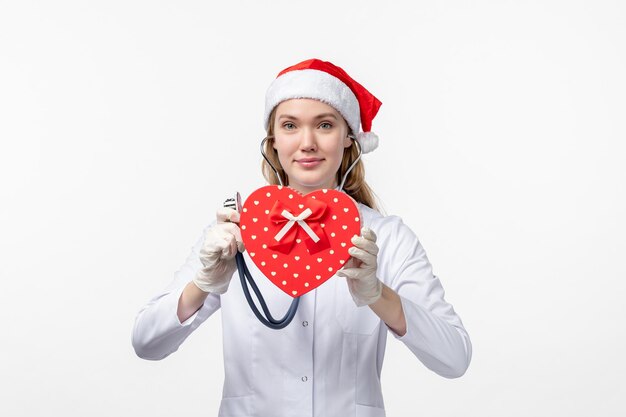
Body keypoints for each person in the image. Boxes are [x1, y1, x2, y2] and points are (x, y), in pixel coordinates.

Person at [132, 58, 472, 417]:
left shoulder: (387, 238)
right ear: (273, 141)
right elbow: (146, 343)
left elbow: (455, 358)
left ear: (348, 140)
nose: (307, 143)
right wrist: (203, 284)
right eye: (290, 125)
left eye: (324, 125)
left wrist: (377, 295)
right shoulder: (234, 232)